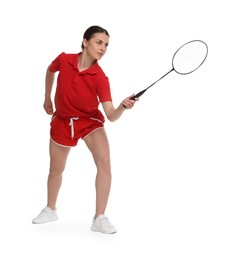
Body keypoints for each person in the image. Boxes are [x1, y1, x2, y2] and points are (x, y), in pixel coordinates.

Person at [32, 25, 138, 234]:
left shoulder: (100, 77)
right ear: (85, 41)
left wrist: (122, 107)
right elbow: (50, 70)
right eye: (99, 42)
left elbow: (110, 115)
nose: (103, 49)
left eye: (106, 45)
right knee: (56, 169)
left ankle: (100, 217)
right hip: (63, 120)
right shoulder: (64, 59)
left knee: (105, 162)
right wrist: (46, 97)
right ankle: (50, 209)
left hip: (89, 121)